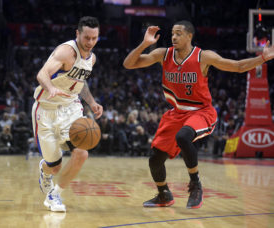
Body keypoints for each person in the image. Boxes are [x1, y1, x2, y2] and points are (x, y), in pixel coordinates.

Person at [123, 21, 274, 209]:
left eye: (178, 33)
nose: (174, 37)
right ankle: (164, 194)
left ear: (189, 36)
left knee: (183, 136)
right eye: (172, 33)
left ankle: (195, 184)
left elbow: (236, 66)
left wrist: (262, 59)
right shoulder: (163, 54)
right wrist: (145, 44)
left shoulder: (203, 57)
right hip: (177, 113)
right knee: (155, 159)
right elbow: (128, 64)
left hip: (201, 112)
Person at [32, 16, 103, 212]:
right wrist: (51, 88)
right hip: (46, 109)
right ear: (77, 34)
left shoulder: (92, 58)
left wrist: (92, 102)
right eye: (86, 37)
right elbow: (42, 74)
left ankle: (55, 195)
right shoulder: (66, 52)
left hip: (71, 108)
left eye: (94, 38)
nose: (90, 42)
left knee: (81, 153)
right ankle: (45, 171)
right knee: (54, 166)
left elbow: (80, 81)